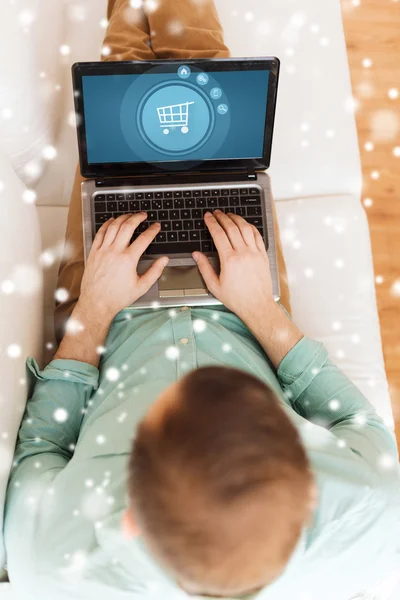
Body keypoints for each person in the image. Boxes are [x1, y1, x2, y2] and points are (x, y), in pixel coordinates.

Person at [4, 1, 400, 599]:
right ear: (311, 485)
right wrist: (260, 309)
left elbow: (44, 445)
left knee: (125, 96)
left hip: (105, 319)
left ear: (130, 517)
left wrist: (91, 315)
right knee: (201, 92)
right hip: (248, 306)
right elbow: (355, 421)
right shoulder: (370, 512)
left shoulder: (50, 557)